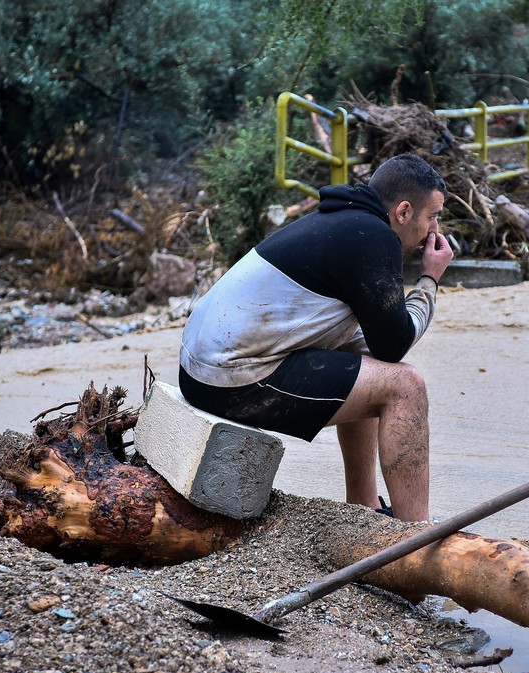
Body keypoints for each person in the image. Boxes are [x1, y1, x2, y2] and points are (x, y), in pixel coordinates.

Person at [178, 153, 453, 521]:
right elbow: (395, 344)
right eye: (433, 216)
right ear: (404, 212)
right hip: (231, 379)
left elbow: (375, 345)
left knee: (368, 363)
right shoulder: (374, 237)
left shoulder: (343, 221)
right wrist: (429, 280)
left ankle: (365, 508)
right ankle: (417, 534)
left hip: (201, 371)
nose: (435, 230)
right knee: (406, 387)